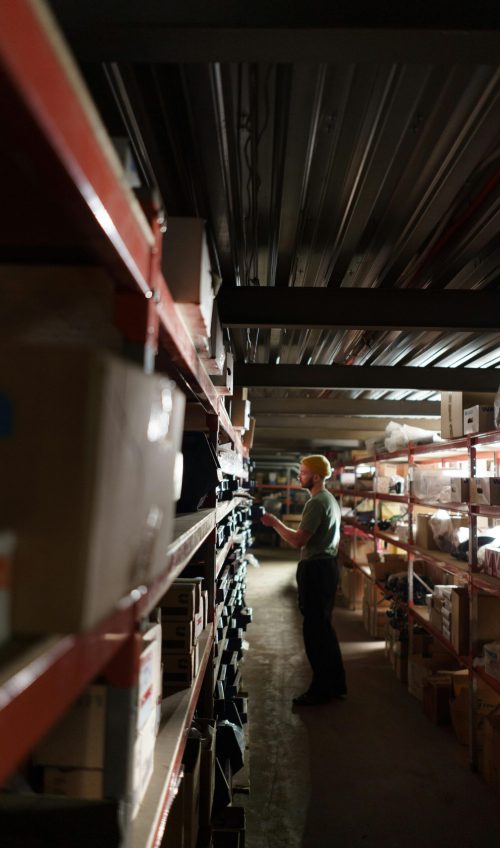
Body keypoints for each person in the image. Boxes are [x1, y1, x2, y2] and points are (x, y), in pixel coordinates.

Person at [261, 454, 347, 706]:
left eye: (304, 472)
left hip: (317, 570)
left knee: (314, 633)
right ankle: (335, 683)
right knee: (325, 630)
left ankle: (321, 689)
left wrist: (275, 523)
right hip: (327, 567)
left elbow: (298, 540)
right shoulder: (329, 499)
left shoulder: (317, 503)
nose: (299, 475)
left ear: (316, 476)